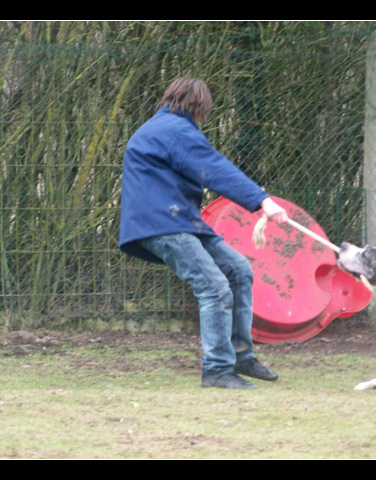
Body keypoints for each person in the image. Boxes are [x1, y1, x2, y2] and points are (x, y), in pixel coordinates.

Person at [119, 77, 288, 389]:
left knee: (238, 269)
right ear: (199, 108)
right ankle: (217, 370)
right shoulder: (175, 131)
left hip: (178, 220)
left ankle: (240, 356)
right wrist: (263, 201)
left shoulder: (162, 128)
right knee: (214, 287)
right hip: (163, 223)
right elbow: (215, 169)